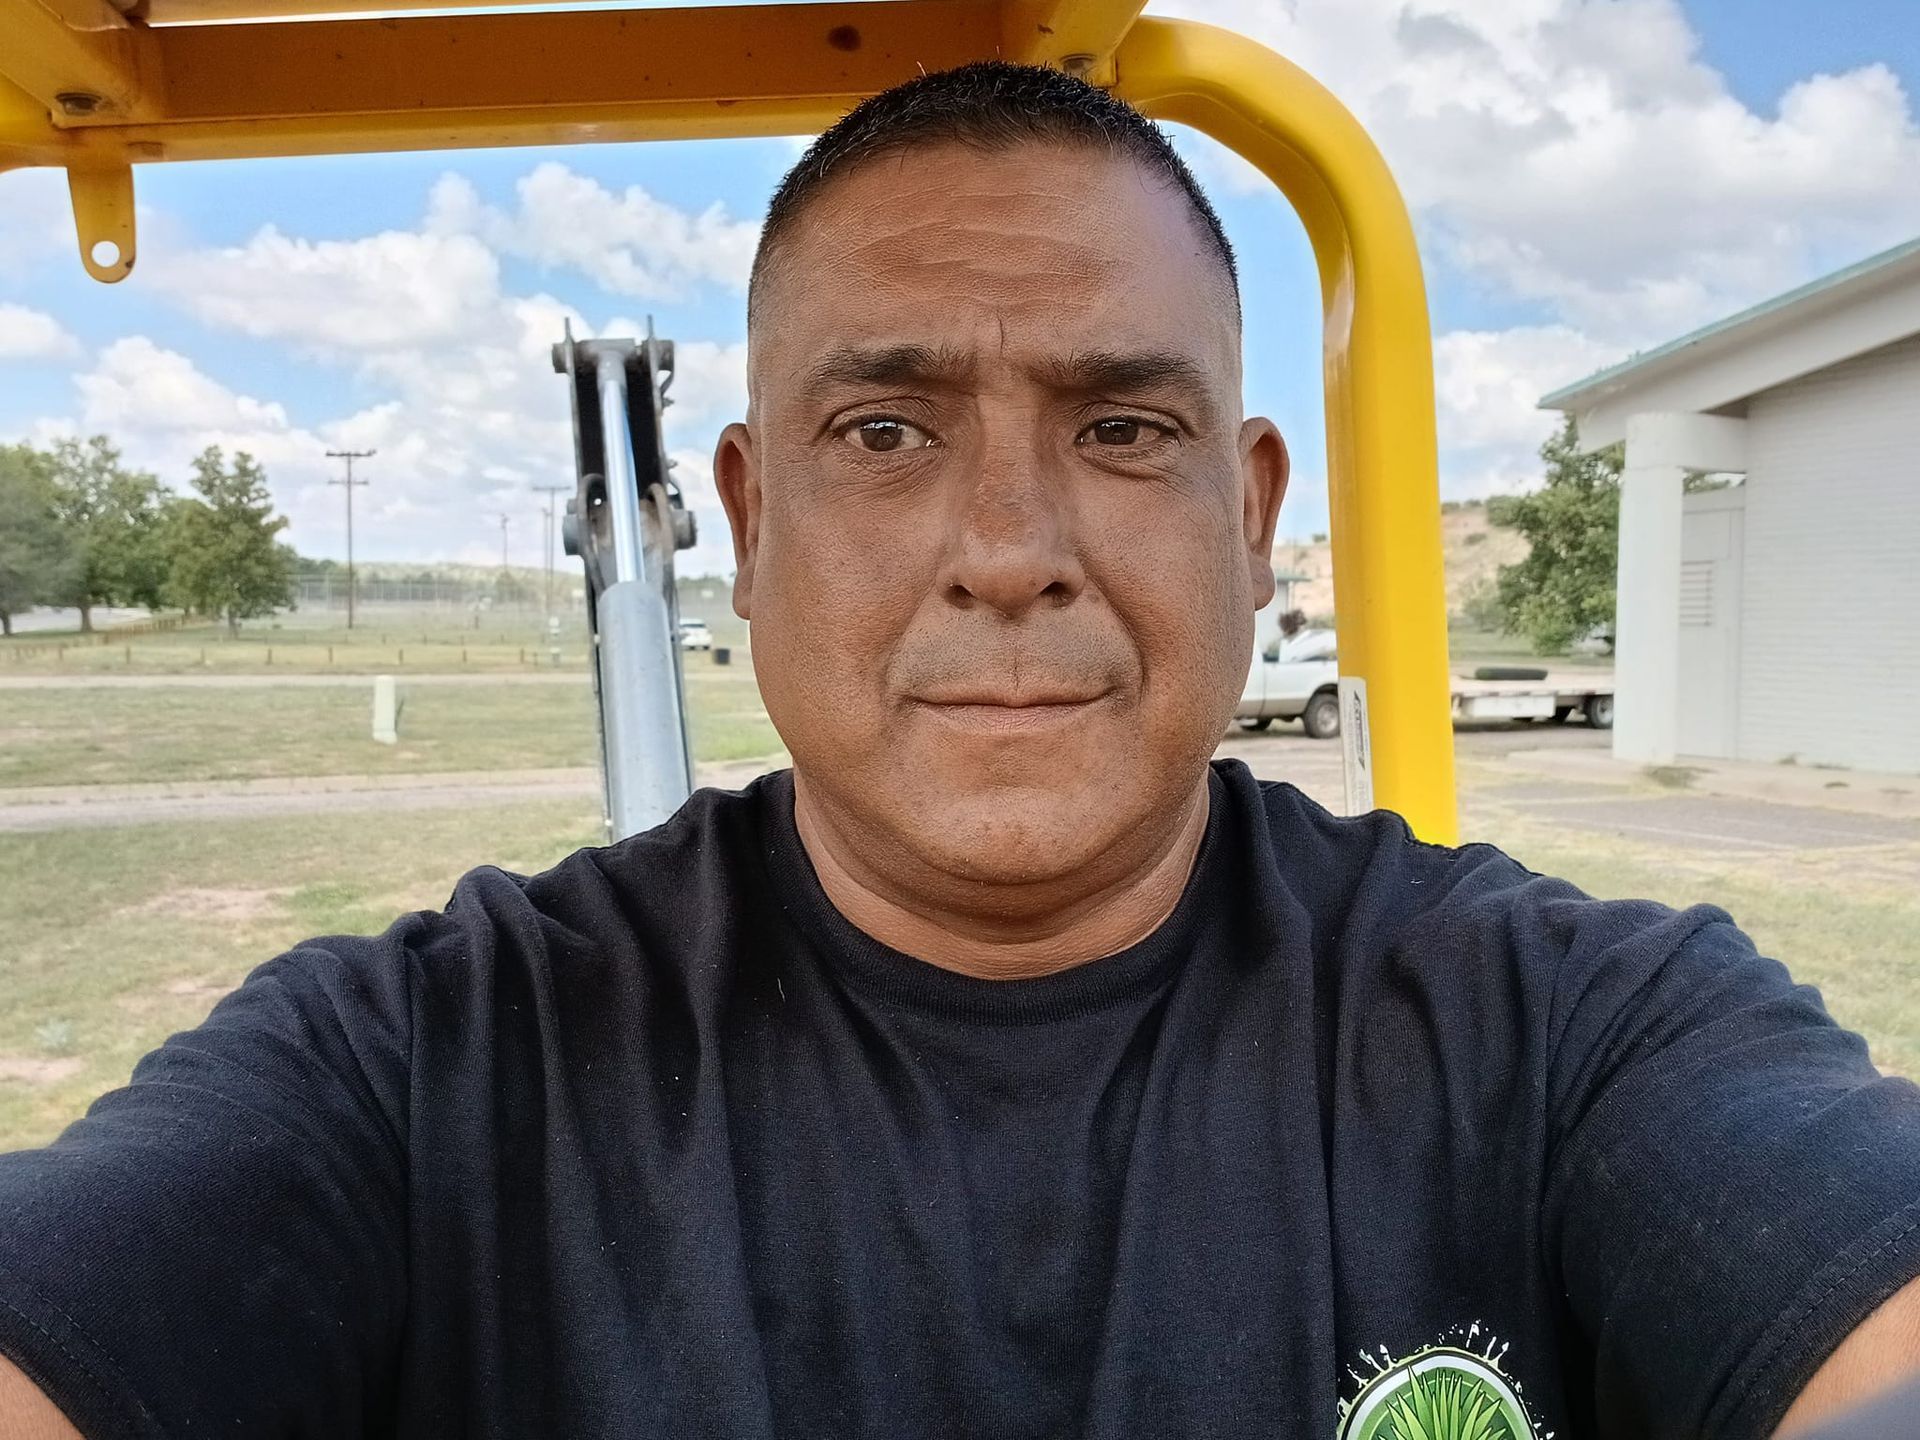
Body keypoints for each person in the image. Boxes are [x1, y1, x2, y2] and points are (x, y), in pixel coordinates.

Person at [2, 62, 1918, 1440]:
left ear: (1253, 516)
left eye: (1122, 429)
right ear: (751, 521)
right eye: (887, 433)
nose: (1009, 550)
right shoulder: (425, 1062)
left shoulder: (1574, 1030)